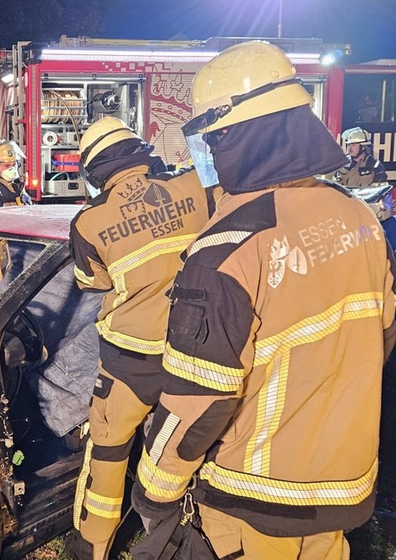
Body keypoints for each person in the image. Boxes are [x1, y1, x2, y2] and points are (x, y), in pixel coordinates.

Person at [131, 40, 396, 560]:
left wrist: (154, 491)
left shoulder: (229, 249)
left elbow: (197, 398)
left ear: (232, 135)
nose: (204, 154)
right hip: (342, 484)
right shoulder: (359, 218)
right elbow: (379, 339)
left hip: (252, 495)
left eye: (209, 138)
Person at [68, 116, 216, 560]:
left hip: (127, 362)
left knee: (107, 457)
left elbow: (91, 283)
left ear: (94, 172)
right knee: (186, 454)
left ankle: (92, 548)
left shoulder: (89, 223)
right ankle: (180, 536)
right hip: (192, 355)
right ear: (140, 153)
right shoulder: (195, 189)